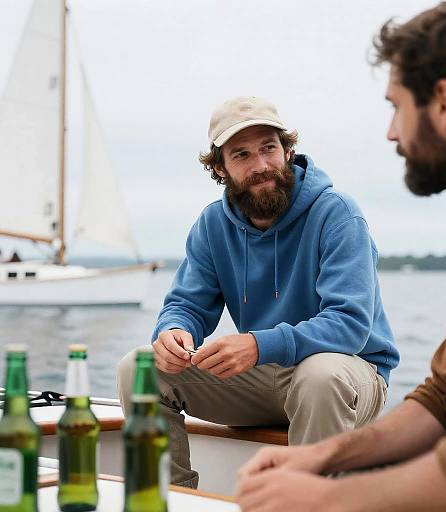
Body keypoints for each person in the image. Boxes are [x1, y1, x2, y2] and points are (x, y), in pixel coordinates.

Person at [236, 1, 446, 511]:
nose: (390, 132)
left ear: (444, 103)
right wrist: (320, 458)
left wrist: (328, 498)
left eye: (396, 105)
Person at [117, 95, 399, 487]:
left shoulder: (337, 213)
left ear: (287, 149)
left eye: (269, 148)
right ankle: (171, 499)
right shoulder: (213, 225)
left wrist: (256, 345)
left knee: (319, 376)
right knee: (141, 369)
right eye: (242, 155)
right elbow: (186, 304)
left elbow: (348, 326)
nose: (261, 165)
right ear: (220, 167)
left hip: (350, 375)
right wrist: (173, 331)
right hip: (265, 376)